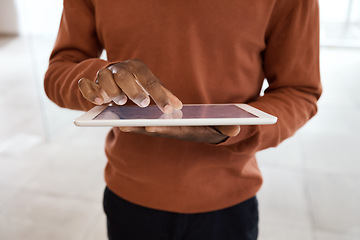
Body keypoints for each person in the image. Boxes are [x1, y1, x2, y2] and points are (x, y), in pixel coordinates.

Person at [44, 0, 322, 239]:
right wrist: (101, 79)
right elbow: (59, 70)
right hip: (129, 198)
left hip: (228, 204)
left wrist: (238, 130)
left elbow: (299, 90)